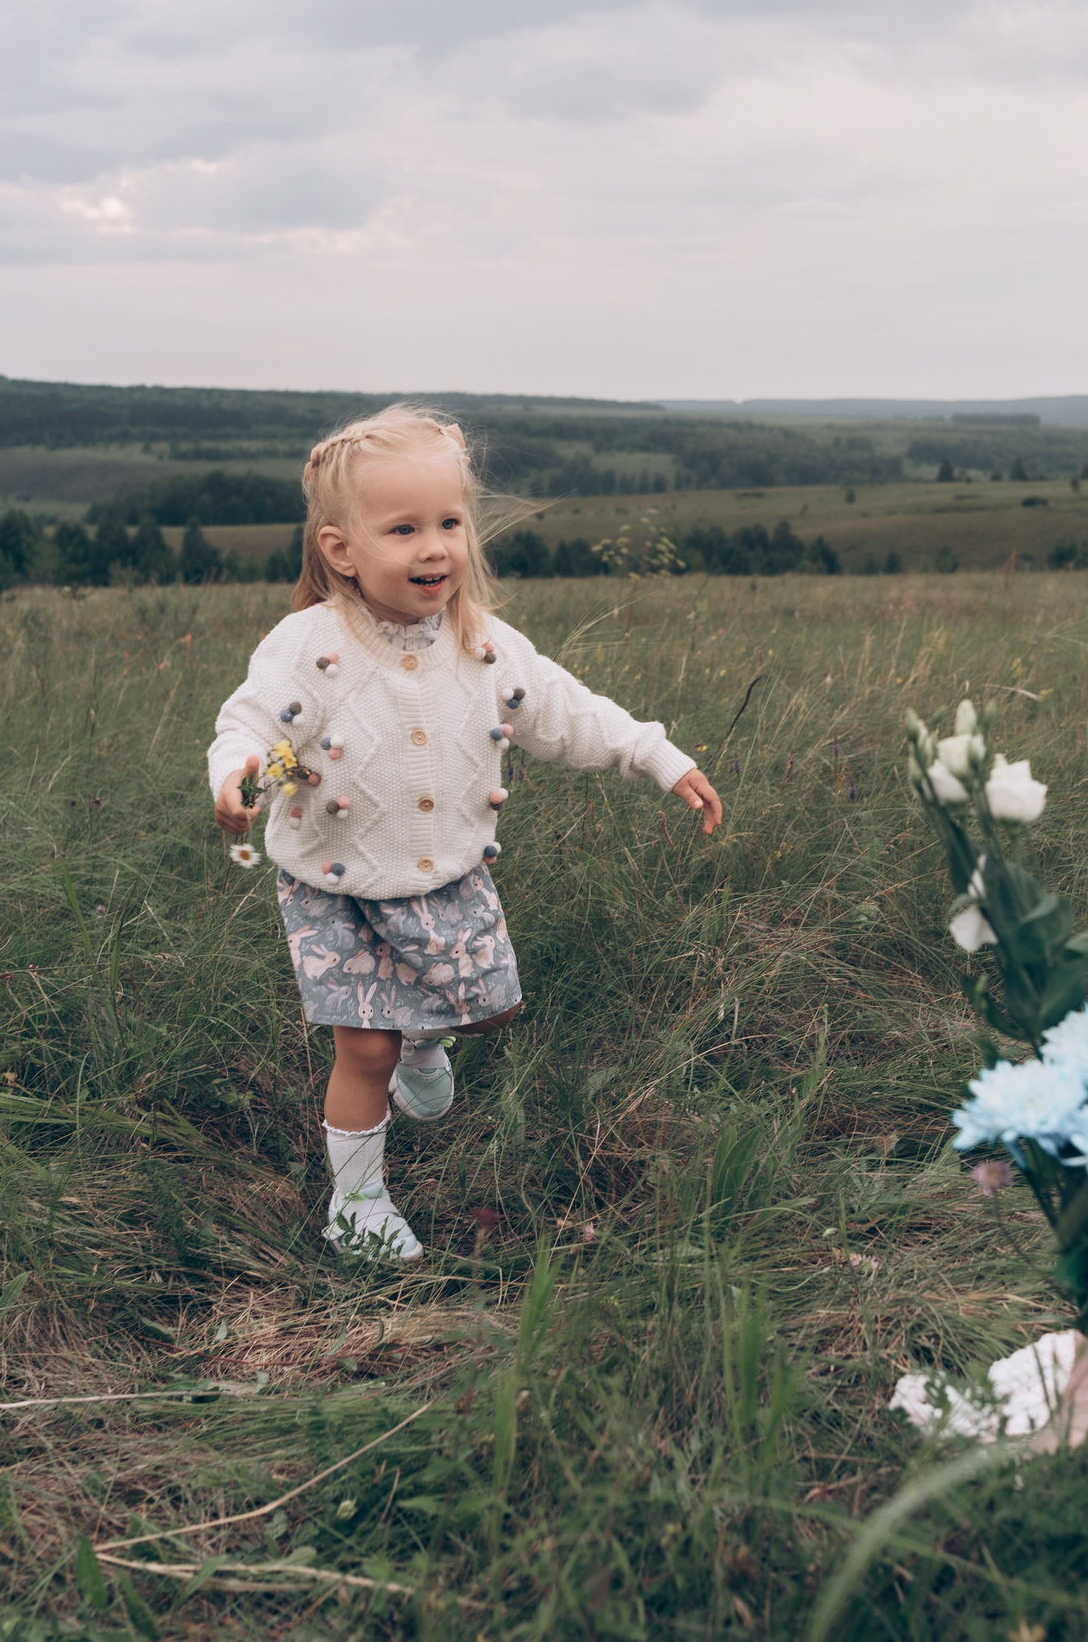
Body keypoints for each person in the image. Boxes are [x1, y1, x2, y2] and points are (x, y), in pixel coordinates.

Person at [208, 404, 723, 1261]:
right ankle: (357, 1203)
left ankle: (425, 1037)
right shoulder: (311, 642)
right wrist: (237, 773)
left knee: (487, 1011)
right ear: (341, 548)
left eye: (449, 522)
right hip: (335, 883)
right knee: (362, 1046)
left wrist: (654, 754)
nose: (435, 547)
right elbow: (251, 719)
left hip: (448, 875)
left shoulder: (482, 642)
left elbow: (565, 710)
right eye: (403, 528)